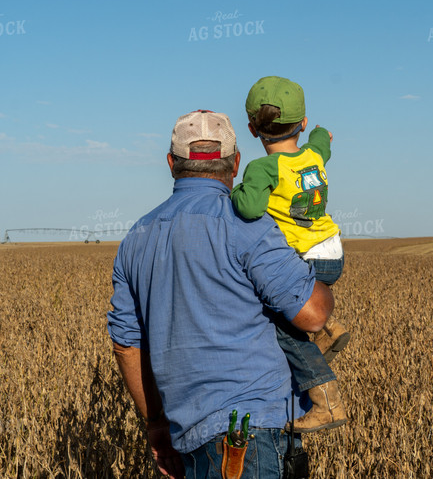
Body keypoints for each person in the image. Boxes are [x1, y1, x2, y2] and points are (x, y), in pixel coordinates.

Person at [108, 109, 334, 478]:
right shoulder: (247, 225)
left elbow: (126, 345)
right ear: (236, 162)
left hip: (188, 438)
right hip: (251, 437)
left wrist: (157, 425)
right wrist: (320, 275)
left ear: (170, 163)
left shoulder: (137, 237)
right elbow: (312, 315)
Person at [231, 76, 349, 433]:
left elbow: (249, 209)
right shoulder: (314, 153)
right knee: (295, 305)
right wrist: (321, 133)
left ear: (252, 129)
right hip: (332, 251)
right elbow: (322, 137)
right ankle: (329, 326)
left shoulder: (264, 169)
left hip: (304, 260)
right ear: (302, 122)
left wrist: (234, 192)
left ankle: (327, 402)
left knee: (283, 328)